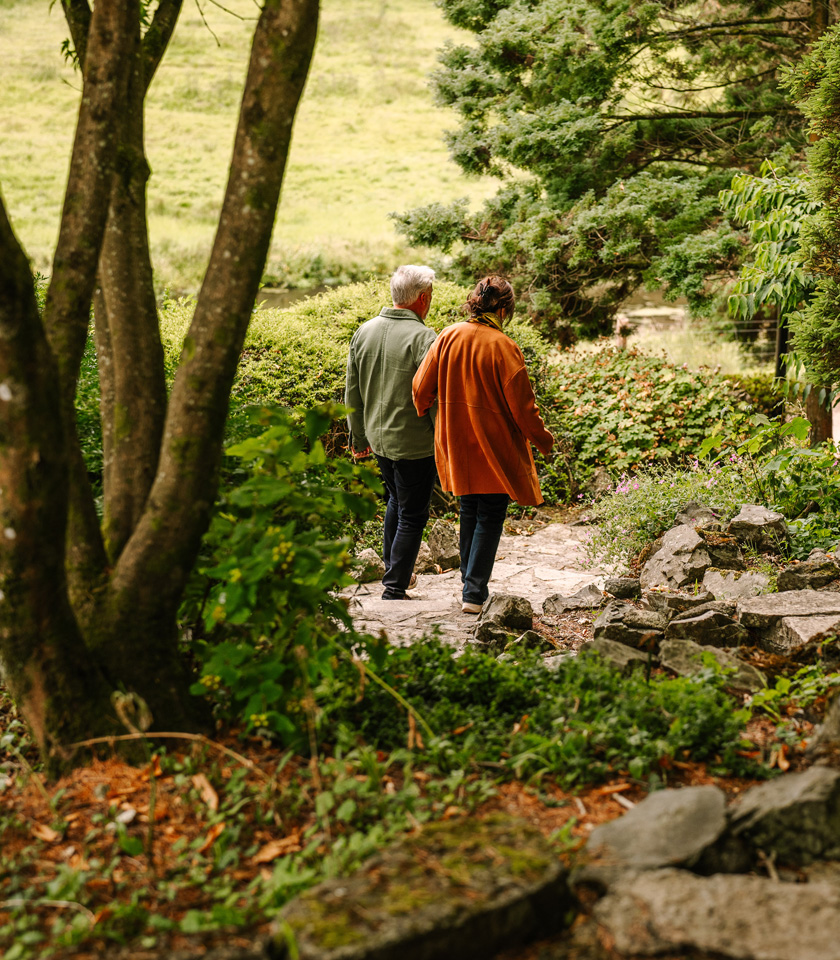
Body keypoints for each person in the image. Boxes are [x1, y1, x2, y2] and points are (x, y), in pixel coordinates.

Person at [412, 276, 554, 613]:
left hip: (456, 442)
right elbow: (523, 408)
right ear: (504, 309)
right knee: (490, 514)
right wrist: (543, 440)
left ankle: (468, 585)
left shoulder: (448, 336)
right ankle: (474, 594)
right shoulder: (504, 346)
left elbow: (420, 389)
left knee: (471, 510)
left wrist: (426, 409)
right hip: (495, 444)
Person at [345, 265, 438, 600]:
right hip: (414, 442)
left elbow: (351, 391)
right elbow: (435, 397)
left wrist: (358, 439)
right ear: (423, 298)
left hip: (378, 438)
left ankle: (393, 570)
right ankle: (395, 585)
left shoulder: (364, 331)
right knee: (412, 513)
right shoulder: (425, 338)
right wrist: (443, 439)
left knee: (397, 502)